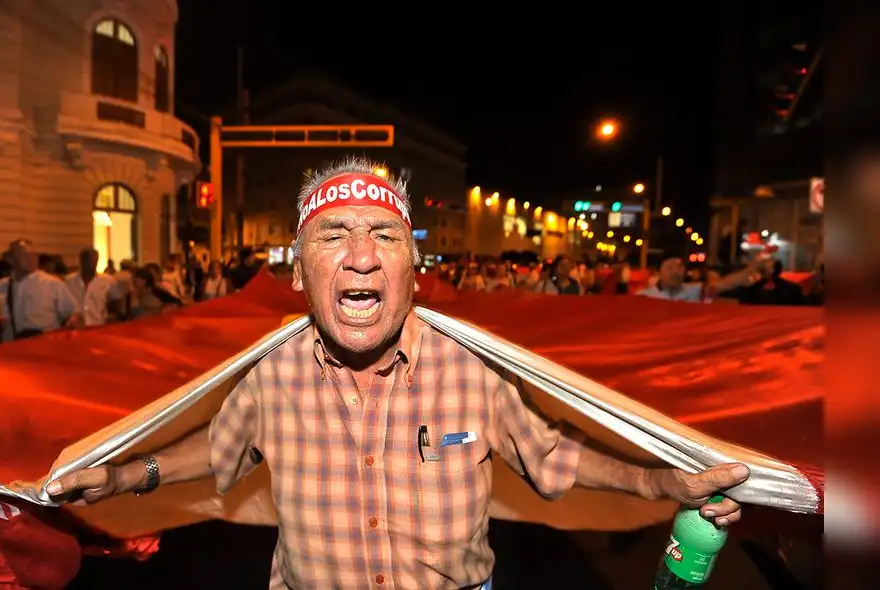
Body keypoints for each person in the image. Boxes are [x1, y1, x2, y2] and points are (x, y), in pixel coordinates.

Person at [47, 158, 749, 589]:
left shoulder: (475, 372)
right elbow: (219, 449)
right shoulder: (270, 374)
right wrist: (119, 477)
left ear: (414, 272)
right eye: (333, 236)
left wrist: (665, 482)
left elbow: (554, 458)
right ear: (298, 274)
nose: (360, 257)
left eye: (384, 236)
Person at [0, 239, 81, 341]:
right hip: (12, 347)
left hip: (45, 346)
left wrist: (72, 322)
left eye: (34, 255)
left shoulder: (52, 284)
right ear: (11, 259)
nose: (31, 259)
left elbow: (73, 312)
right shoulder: (0, 286)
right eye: (24, 255)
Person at [636, 254, 760, 303]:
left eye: (679, 267)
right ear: (658, 273)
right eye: (669, 268)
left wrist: (752, 268)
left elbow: (725, 284)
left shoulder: (695, 292)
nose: (675, 272)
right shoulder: (644, 298)